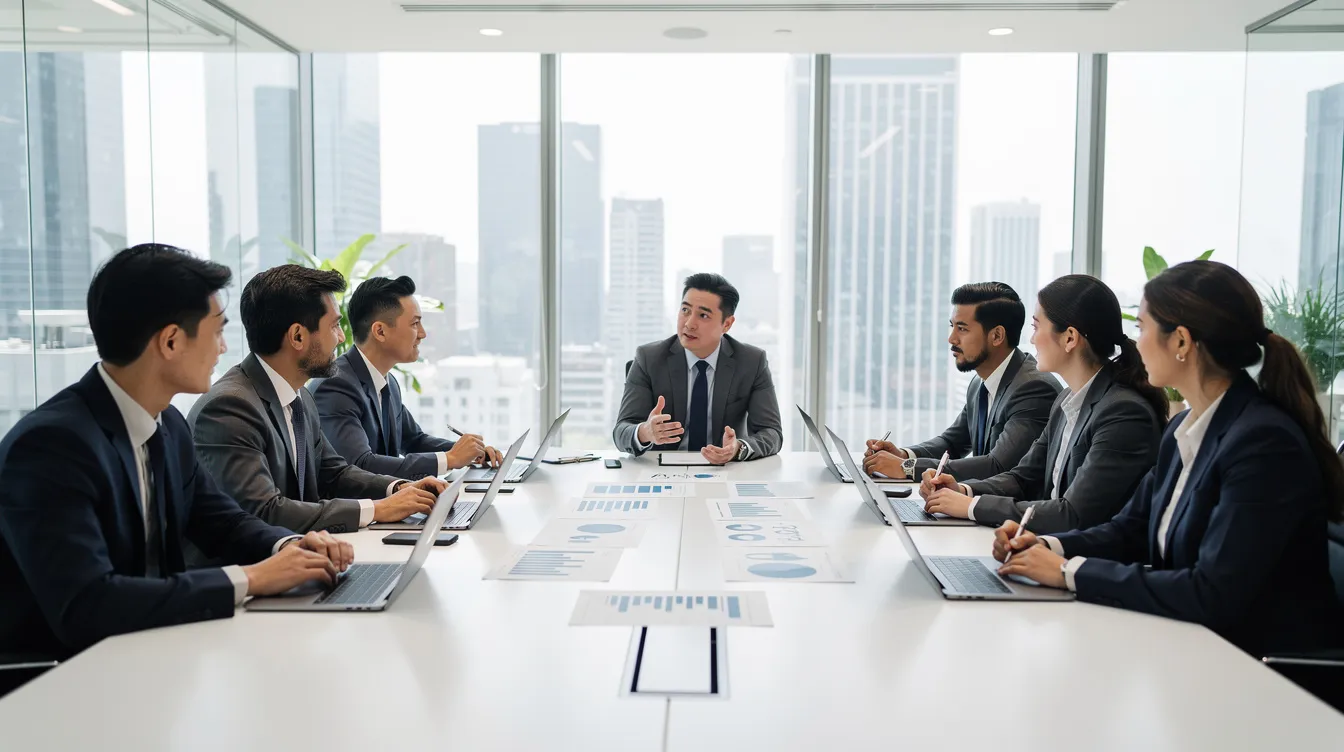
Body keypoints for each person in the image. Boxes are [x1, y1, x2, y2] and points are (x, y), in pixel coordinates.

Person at [0, 245, 354, 664]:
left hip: (153, 652)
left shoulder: (167, 424)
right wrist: (252, 578)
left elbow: (223, 522)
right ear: (170, 341)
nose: (223, 349)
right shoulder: (51, 446)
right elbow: (87, 604)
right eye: (217, 331)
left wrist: (291, 547)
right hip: (62, 682)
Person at [994, 261, 1343, 655]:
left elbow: (1211, 591)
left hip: (1265, 670)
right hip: (1196, 646)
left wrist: (1066, 572)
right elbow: (1129, 530)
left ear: (1180, 341)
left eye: (1142, 327)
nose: (1135, 343)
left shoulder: (1263, 442)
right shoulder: (1183, 430)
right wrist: (1045, 545)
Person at [189, 265, 445, 539]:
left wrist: (398, 488)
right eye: (334, 326)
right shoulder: (230, 407)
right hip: (255, 570)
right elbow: (264, 511)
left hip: (303, 556)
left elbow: (335, 473)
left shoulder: (299, 397)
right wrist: (378, 509)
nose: (342, 337)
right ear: (298, 336)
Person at [920, 275, 1166, 534]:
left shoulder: (1123, 413)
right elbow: (1022, 478)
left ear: (1070, 338)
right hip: (1044, 548)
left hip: (1081, 561)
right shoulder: (1066, 400)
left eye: (1037, 327)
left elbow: (1072, 515)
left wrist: (971, 506)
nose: (1033, 339)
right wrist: (962, 489)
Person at [863, 282, 1060, 481]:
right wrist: (904, 455)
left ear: (997, 336)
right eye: (952, 326)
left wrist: (907, 467)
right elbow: (953, 443)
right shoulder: (980, 384)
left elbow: (998, 466)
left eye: (962, 329)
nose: (952, 339)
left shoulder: (1033, 388)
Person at [312, 275, 501, 479]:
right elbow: (360, 465)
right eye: (415, 324)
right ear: (380, 331)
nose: (422, 334)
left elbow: (414, 440)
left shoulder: (388, 382)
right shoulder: (335, 386)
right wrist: (451, 458)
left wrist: (470, 452)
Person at [612, 273, 783, 462]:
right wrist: (645, 432)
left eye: (703, 315)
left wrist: (738, 448)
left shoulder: (751, 362)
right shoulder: (649, 358)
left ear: (726, 324)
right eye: (685, 310)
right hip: (663, 470)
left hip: (725, 470)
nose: (689, 323)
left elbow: (772, 433)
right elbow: (621, 431)